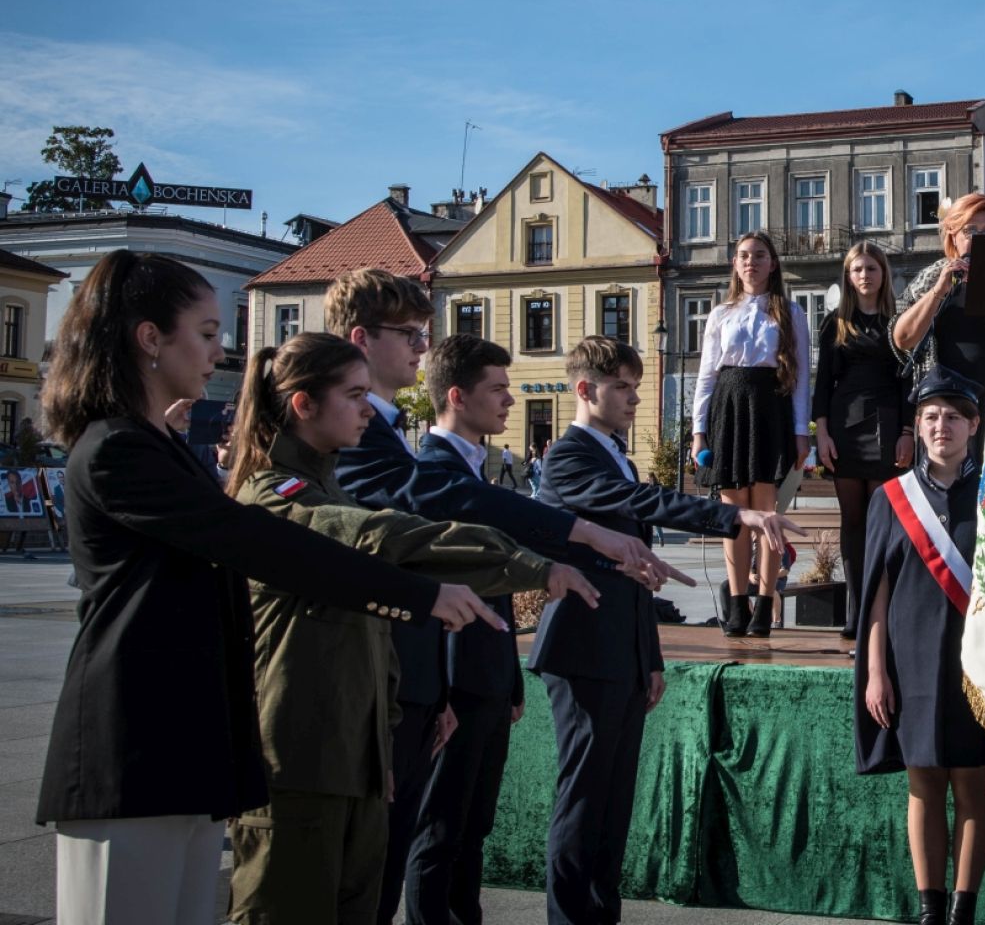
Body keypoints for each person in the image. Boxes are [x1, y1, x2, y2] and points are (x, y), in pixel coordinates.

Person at [34, 252, 502, 925]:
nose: (220, 348)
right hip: (130, 745)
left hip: (189, 747)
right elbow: (258, 541)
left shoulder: (157, 445)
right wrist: (419, 595)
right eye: (204, 330)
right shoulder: (116, 449)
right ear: (149, 339)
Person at [322, 269, 669, 925]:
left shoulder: (385, 433)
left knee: (446, 840)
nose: (420, 347)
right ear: (361, 339)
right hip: (393, 681)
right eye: (409, 335)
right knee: (405, 851)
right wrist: (564, 539)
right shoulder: (369, 442)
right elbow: (442, 510)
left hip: (438, 682)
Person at [221, 332, 599, 925]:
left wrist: (392, 733)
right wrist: (530, 566)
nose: (369, 409)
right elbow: (386, 538)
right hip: (298, 761)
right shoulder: (279, 498)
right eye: (353, 394)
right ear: (303, 404)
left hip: (354, 756)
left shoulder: (327, 486)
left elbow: (370, 630)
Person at [531, 336, 798, 925]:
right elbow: (636, 501)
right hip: (580, 648)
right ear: (585, 389)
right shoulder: (570, 456)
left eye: (635, 386)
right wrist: (735, 515)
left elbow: (636, 576)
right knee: (582, 800)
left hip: (622, 650)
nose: (632, 398)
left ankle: (601, 915)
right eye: (621, 387)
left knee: (612, 804)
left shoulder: (614, 453)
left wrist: (649, 657)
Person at [856, 368, 985, 925]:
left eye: (954, 417)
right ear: (917, 424)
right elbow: (876, 593)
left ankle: (964, 906)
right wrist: (875, 672)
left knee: (970, 781)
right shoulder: (892, 497)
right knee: (922, 783)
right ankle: (929, 908)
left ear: (974, 425)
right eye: (932, 417)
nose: (942, 427)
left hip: (978, 663)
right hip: (908, 661)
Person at [691, 229, 812, 639]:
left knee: (766, 514)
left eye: (759, 255)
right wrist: (698, 432)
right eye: (744, 255)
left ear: (772, 264)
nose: (751, 262)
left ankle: (764, 602)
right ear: (735, 263)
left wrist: (801, 432)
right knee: (733, 517)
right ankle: (737, 603)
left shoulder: (790, 313)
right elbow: (706, 375)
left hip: (769, 408)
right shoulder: (720, 313)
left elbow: (800, 379)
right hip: (728, 407)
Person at [813, 241, 913, 638]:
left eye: (871, 268)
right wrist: (822, 432)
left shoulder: (897, 322)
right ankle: (856, 610)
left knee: (883, 523)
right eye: (857, 269)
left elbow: (909, 381)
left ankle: (882, 609)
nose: (865, 276)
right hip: (845, 427)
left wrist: (907, 432)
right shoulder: (835, 323)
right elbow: (823, 383)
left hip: (888, 426)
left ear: (883, 274)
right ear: (848, 276)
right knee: (852, 523)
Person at [891, 193, 985, 397]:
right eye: (970, 231)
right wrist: (939, 290)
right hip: (949, 405)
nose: (979, 238)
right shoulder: (932, 278)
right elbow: (902, 340)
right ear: (953, 237)